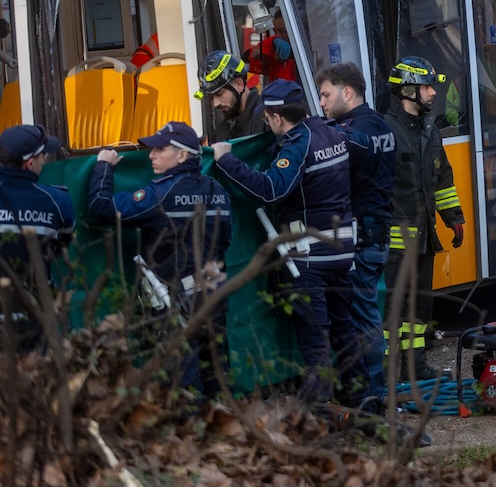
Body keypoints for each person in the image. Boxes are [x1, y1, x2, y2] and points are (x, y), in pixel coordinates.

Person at [212, 80, 366, 404]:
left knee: (315, 341)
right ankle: (362, 403)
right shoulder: (330, 131)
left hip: (310, 260)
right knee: (344, 332)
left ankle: (319, 416)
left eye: (267, 119)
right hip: (341, 252)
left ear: (276, 118)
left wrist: (227, 161)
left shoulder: (298, 144)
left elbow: (271, 189)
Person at [88, 122, 232, 396]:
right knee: (217, 373)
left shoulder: (159, 193)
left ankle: (193, 433)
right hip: (215, 293)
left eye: (159, 149)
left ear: (182, 155)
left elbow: (100, 207)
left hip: (177, 300)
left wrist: (103, 167)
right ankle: (228, 432)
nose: (151, 155)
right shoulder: (216, 189)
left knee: (182, 383)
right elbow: (226, 238)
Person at [317, 63, 395, 407]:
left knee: (364, 315)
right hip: (374, 233)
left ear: (347, 93)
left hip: (362, 235)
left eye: (325, 94)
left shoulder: (355, 131)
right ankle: (365, 390)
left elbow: (347, 148)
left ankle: (372, 395)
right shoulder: (381, 123)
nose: (320, 103)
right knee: (364, 312)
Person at [383, 56, 466, 381]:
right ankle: (390, 372)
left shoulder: (430, 131)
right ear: (407, 90)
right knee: (394, 309)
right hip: (395, 239)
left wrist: (453, 217)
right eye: (426, 87)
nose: (433, 93)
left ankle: (415, 368)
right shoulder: (386, 131)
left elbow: (443, 178)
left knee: (420, 308)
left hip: (425, 236)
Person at [0, 125, 75, 352]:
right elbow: (62, 245)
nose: (45, 160)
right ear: (30, 163)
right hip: (33, 317)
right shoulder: (57, 201)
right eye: (44, 155)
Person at [195, 50, 264, 143]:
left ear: (239, 85)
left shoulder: (268, 116)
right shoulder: (222, 132)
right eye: (211, 98)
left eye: (219, 94)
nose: (215, 104)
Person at [243, 12, 299, 84]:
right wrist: (271, 42)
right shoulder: (276, 57)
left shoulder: (304, 58)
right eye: (275, 31)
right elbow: (247, 61)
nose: (277, 35)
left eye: (281, 31)